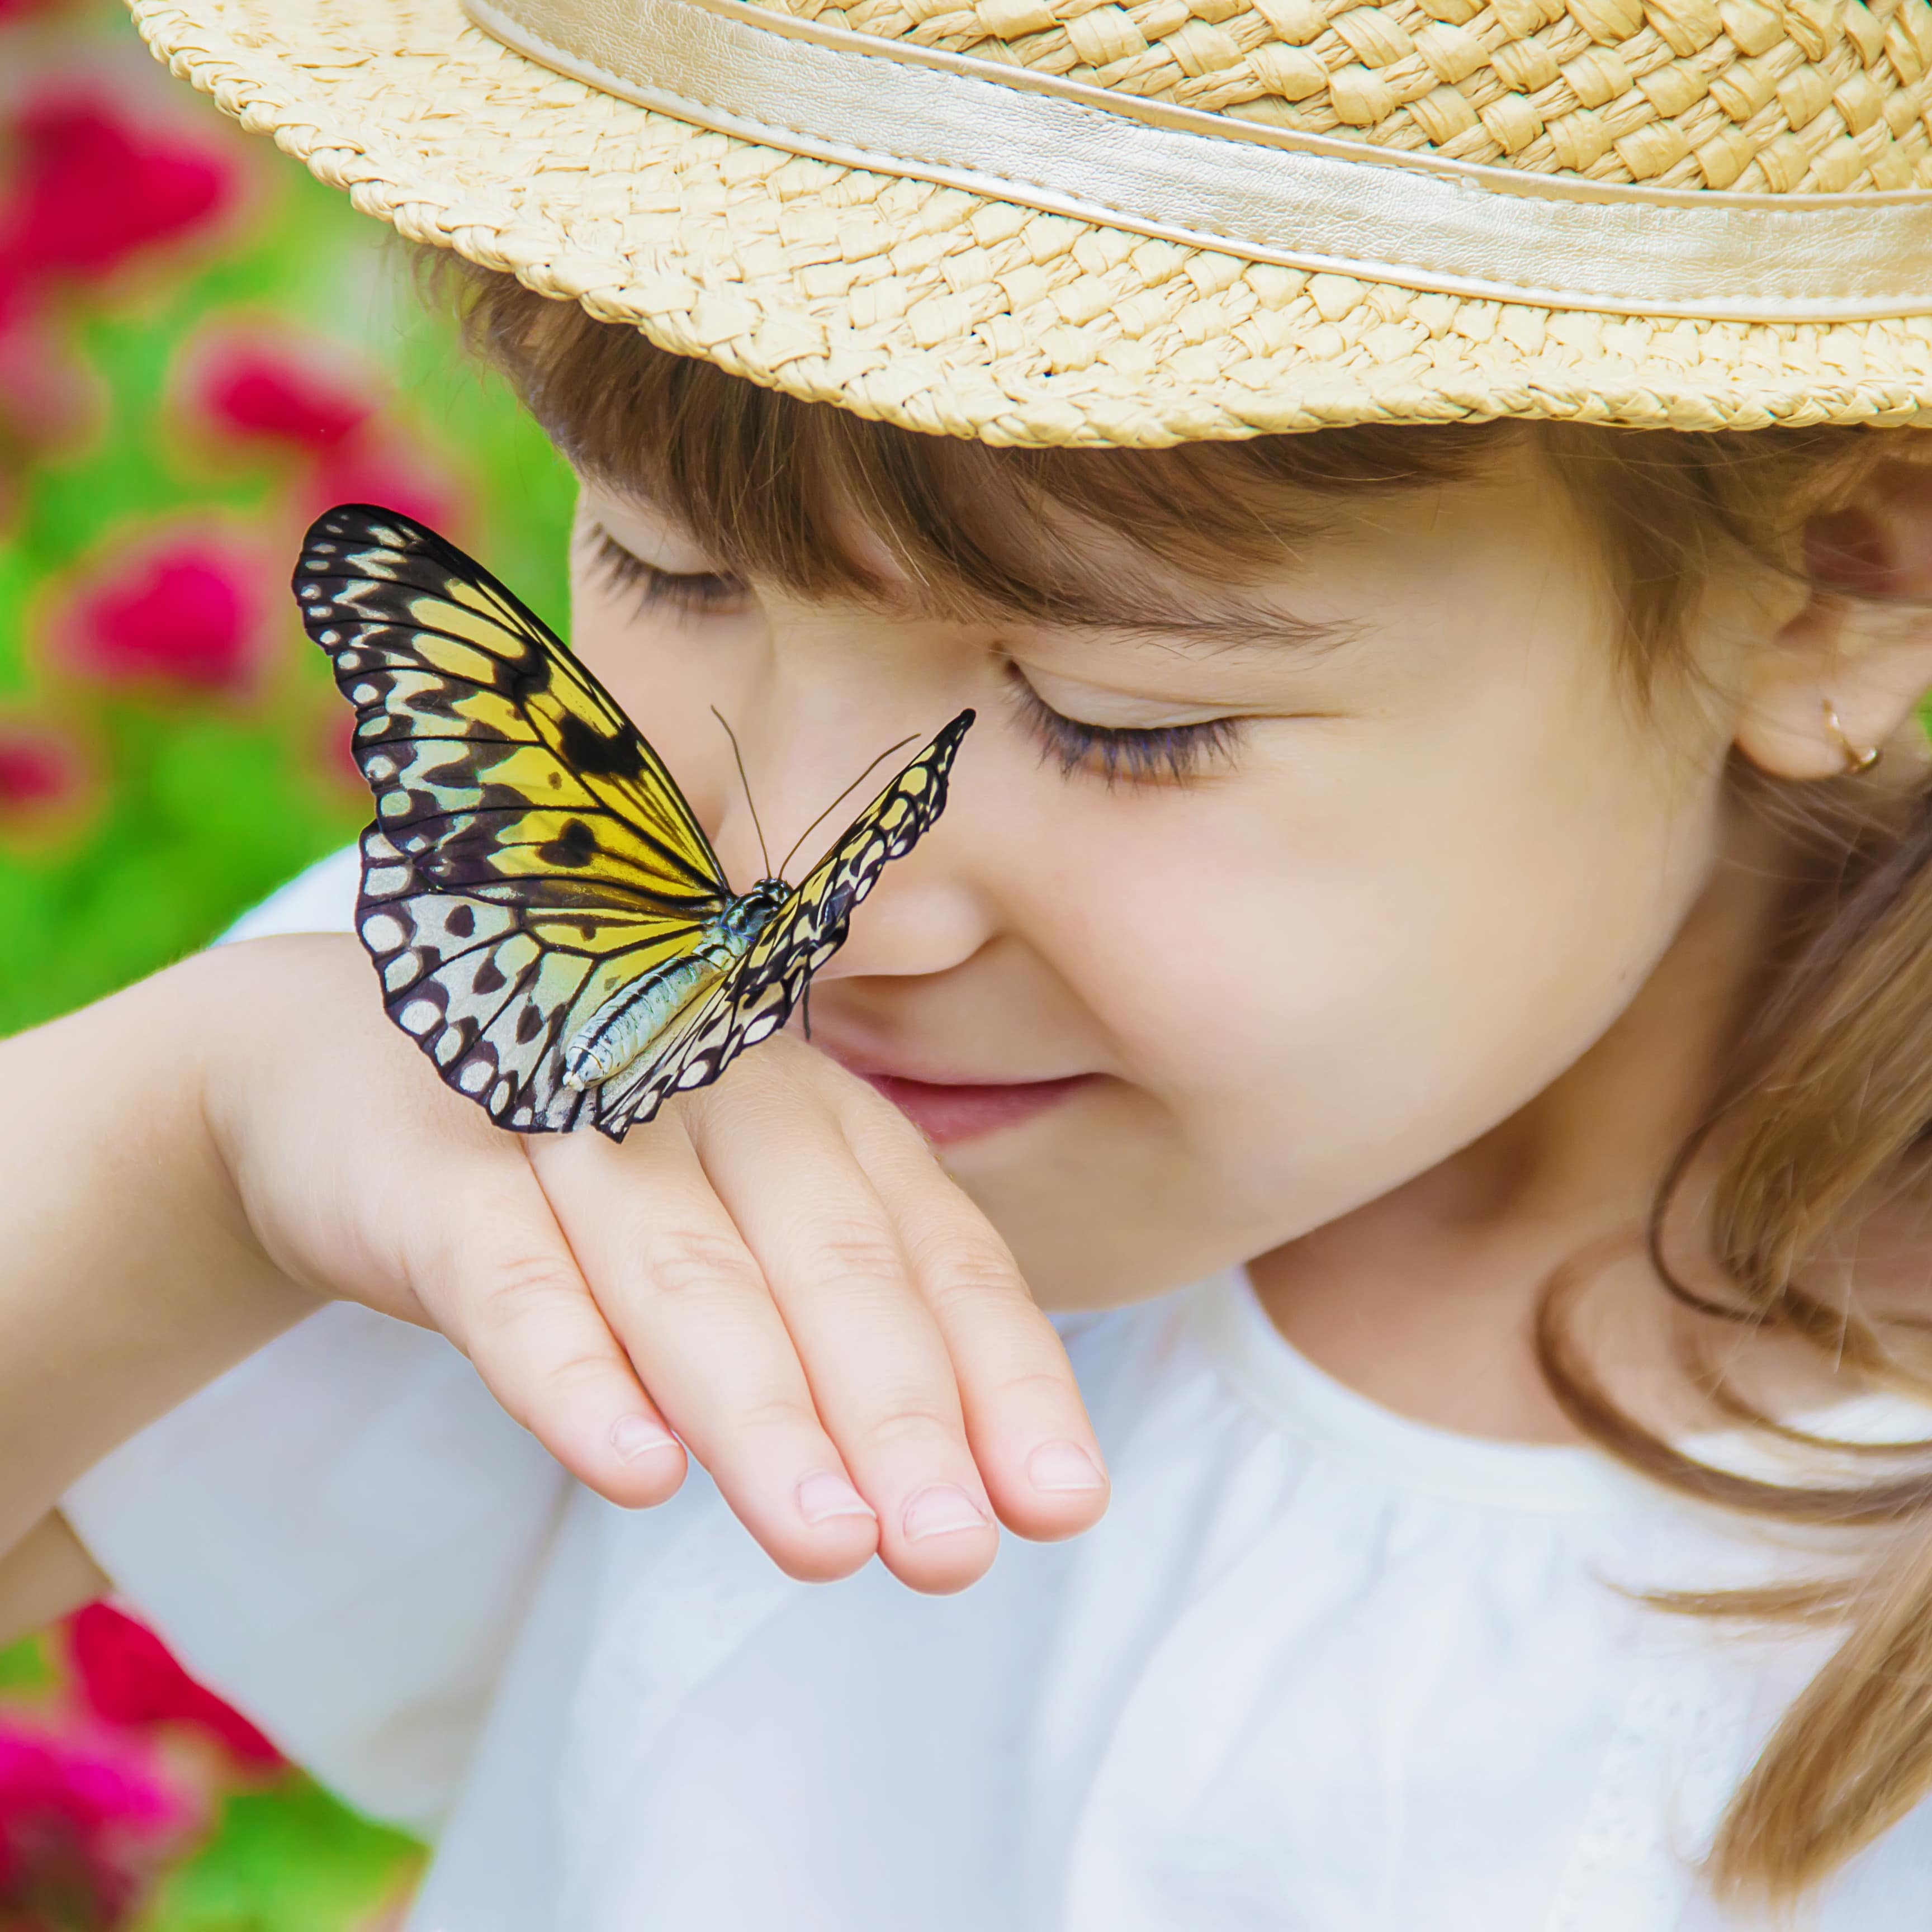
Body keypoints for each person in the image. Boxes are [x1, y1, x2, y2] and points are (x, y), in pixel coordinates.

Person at [3, 0, 1932, 1919]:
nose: (801, 881)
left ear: (1834, 590)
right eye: (672, 573)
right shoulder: (548, 1076)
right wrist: (185, 1147)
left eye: (1119, 717)